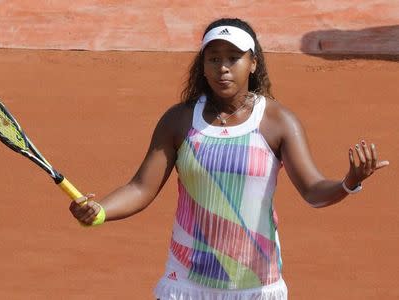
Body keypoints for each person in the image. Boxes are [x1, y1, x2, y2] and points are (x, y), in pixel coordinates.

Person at [69, 18, 389, 300]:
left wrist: (349, 182)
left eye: (233, 58)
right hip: (187, 282)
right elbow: (141, 188)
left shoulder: (278, 122)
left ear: (253, 63)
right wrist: (100, 211)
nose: (223, 67)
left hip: (256, 286)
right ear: (203, 65)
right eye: (214, 58)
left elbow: (314, 191)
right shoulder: (179, 121)